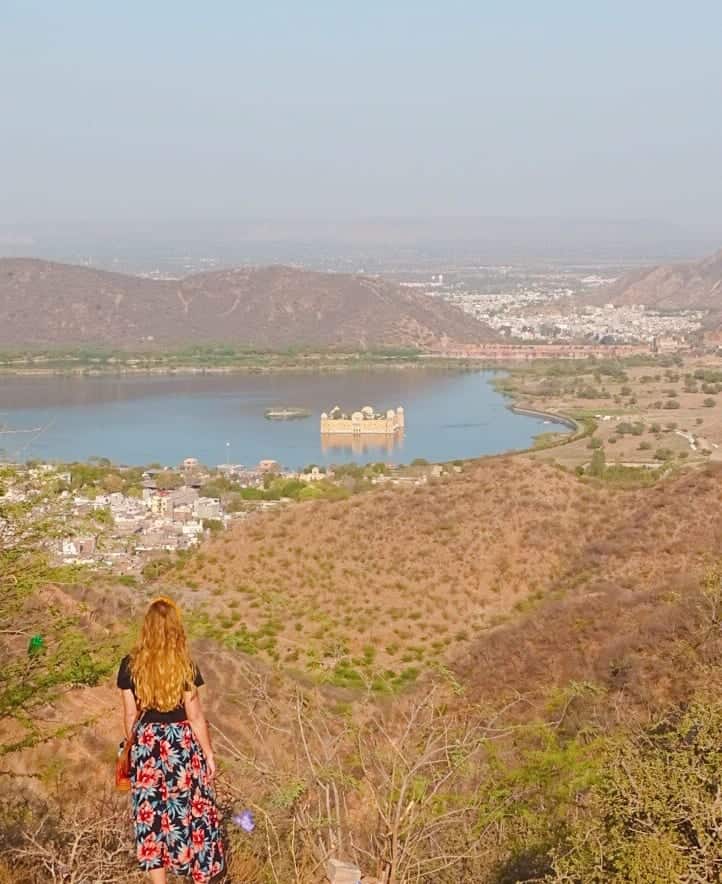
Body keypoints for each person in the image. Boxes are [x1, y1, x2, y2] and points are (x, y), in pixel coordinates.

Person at [117, 596, 224, 883]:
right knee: (191, 812)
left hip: (147, 746)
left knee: (151, 817)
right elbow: (195, 715)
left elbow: (130, 715)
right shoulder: (185, 665)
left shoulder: (130, 665)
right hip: (182, 746)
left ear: (146, 628)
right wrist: (209, 753)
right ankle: (197, 873)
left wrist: (136, 749)